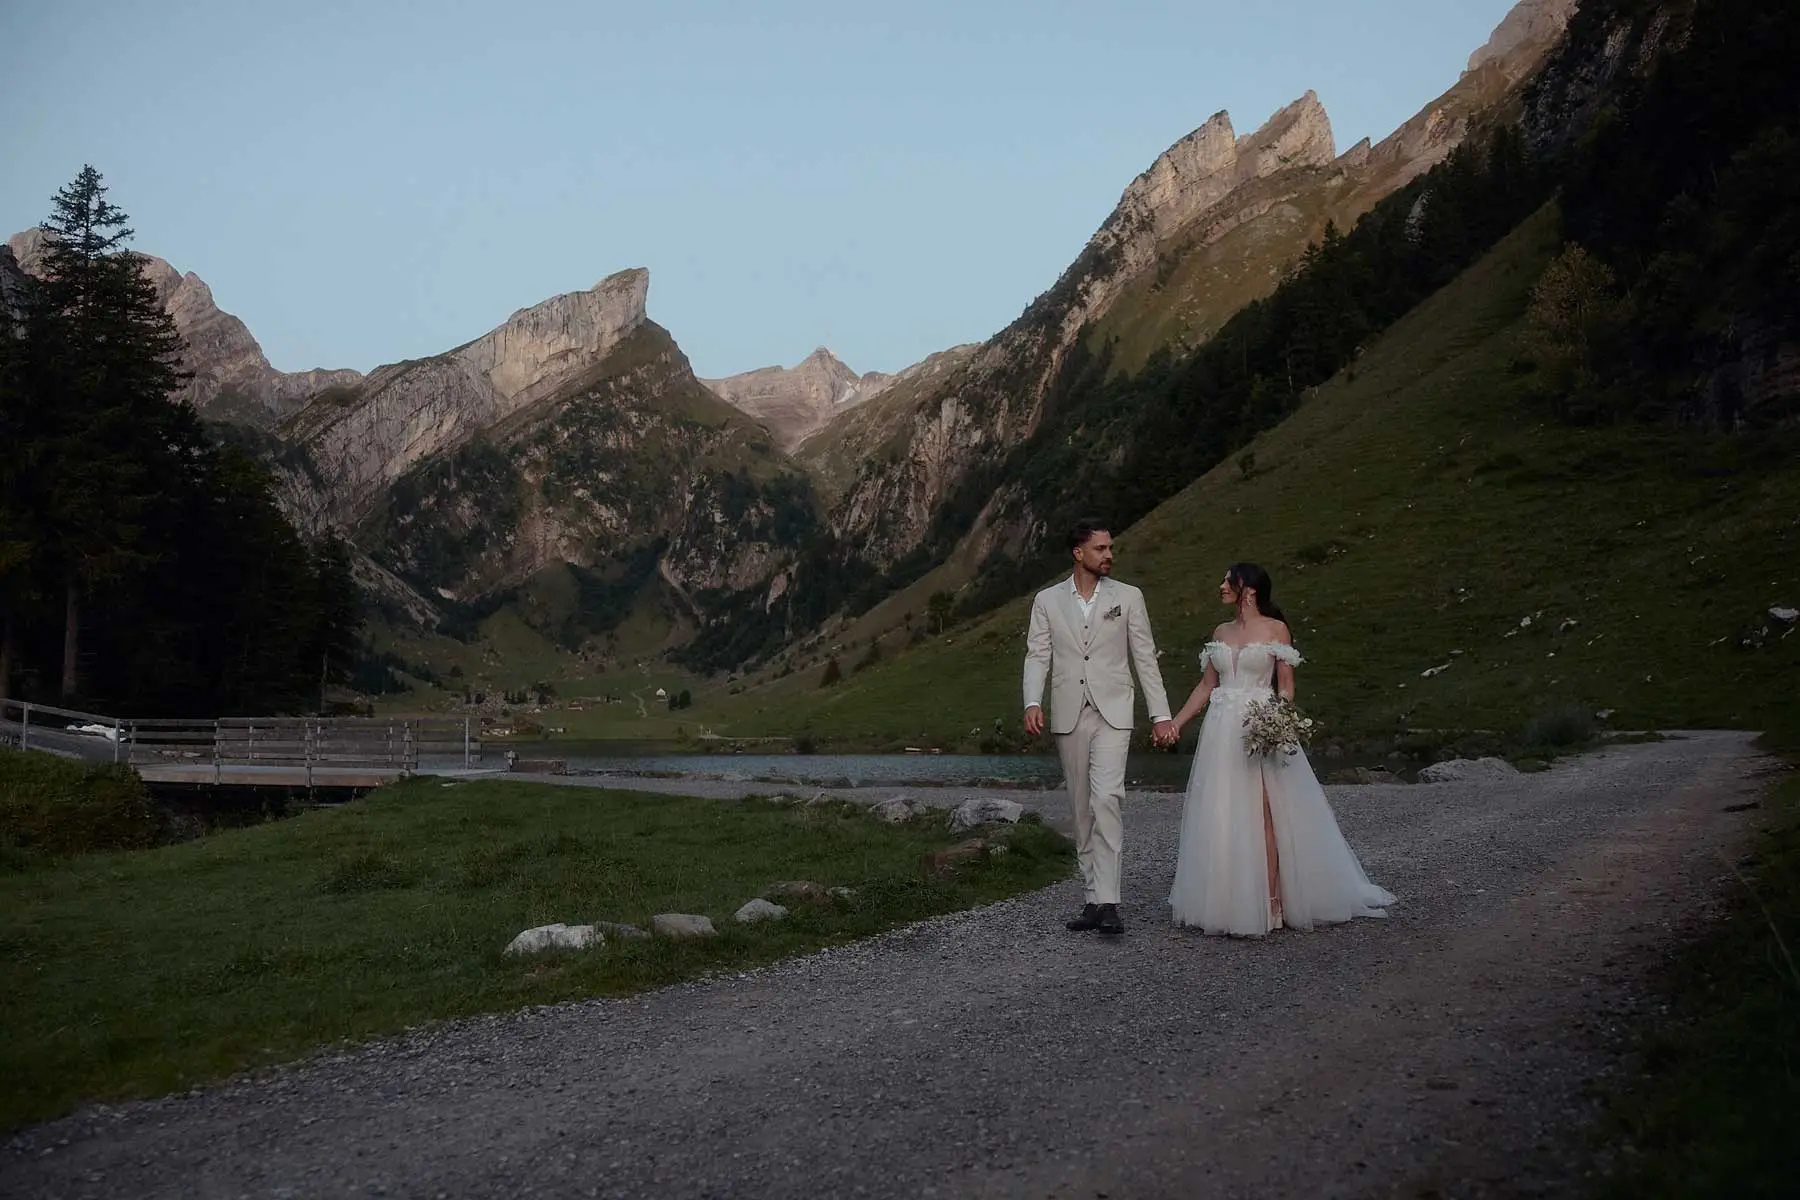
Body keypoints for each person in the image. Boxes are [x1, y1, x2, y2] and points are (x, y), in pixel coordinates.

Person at [1166, 563, 1394, 936]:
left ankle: (1272, 900)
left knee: (1266, 814)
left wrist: (1277, 720)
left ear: (1248, 590)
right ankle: (1228, 900)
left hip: (1259, 726)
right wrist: (1176, 723)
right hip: (1221, 731)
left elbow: (1286, 685)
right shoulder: (1220, 632)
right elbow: (1206, 685)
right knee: (1224, 812)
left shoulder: (1276, 630)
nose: (1221, 585)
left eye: (1228, 580)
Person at [1023, 518, 1177, 936]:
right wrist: (1032, 700)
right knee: (1080, 808)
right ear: (1079, 553)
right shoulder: (1047, 600)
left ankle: (1110, 901)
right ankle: (1092, 898)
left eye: (1111, 548)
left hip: (1114, 711)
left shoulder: (1129, 597)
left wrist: (1161, 714)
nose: (1109, 555)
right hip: (1069, 712)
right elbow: (1037, 654)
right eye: (1101, 549)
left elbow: (1144, 657)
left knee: (1107, 797)